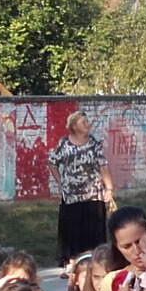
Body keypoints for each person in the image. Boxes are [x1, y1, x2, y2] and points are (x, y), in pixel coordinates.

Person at [48, 110, 115, 266]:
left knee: (93, 228)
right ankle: (72, 261)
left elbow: (103, 165)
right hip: (71, 195)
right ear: (74, 126)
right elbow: (52, 163)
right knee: (72, 227)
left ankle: (94, 260)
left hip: (93, 193)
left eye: (87, 121)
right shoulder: (64, 143)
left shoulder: (94, 143)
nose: (87, 124)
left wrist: (109, 188)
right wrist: (60, 182)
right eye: (83, 122)